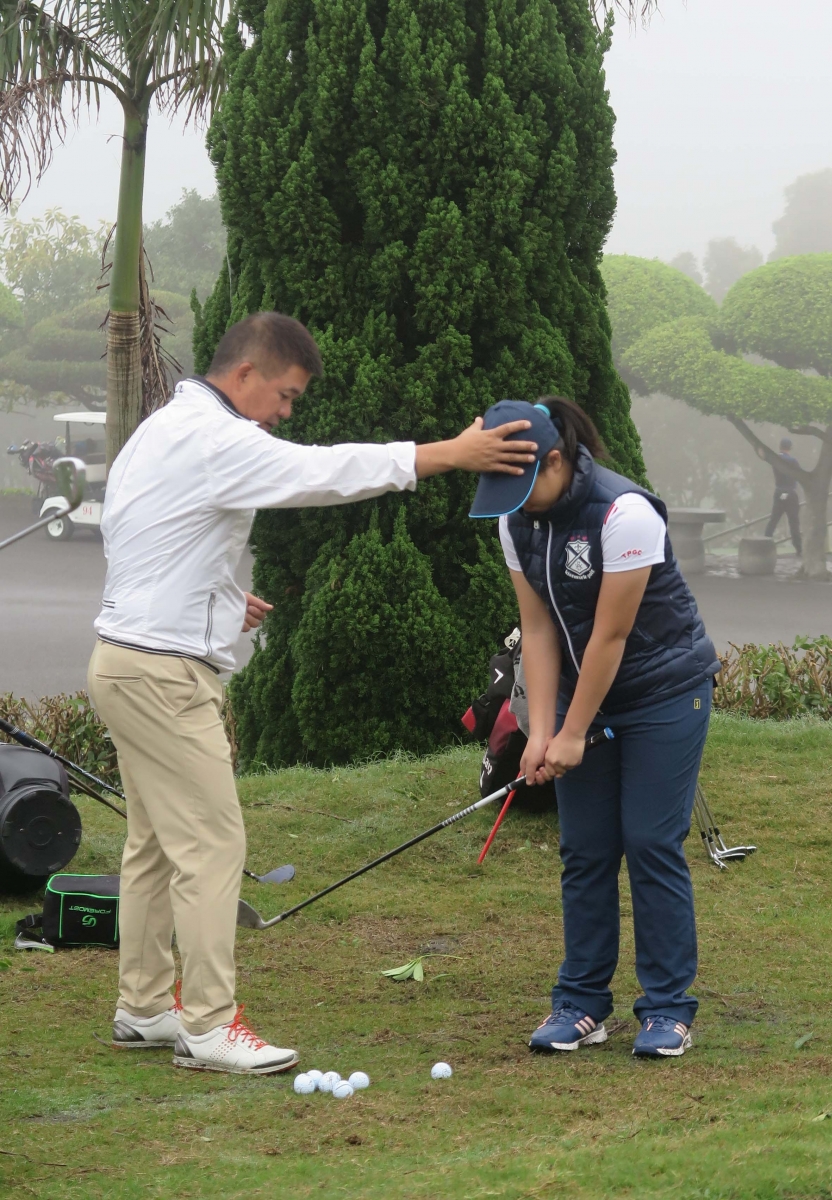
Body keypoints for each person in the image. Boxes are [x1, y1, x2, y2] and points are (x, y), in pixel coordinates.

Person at [88, 312, 538, 1076]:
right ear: (246, 376)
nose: (287, 414)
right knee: (213, 843)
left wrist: (219, 594)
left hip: (127, 661)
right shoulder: (218, 437)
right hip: (162, 674)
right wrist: (449, 456)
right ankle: (207, 1026)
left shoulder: (165, 428)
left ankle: (144, 1008)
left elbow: (141, 535)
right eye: (286, 396)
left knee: (158, 844)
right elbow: (322, 472)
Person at [470, 397, 719, 1058]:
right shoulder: (515, 523)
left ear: (555, 460)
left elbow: (609, 637)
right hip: (586, 700)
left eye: (523, 488)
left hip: (664, 694)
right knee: (583, 848)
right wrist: (542, 732)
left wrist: (573, 734)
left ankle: (667, 1009)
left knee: (650, 840)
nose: (516, 504)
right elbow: (540, 630)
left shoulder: (624, 513)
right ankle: (581, 1002)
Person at [761, 438, 802, 555]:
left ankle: (764, 544)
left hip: (779, 491)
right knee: (794, 521)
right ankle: (799, 548)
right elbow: (798, 475)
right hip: (790, 492)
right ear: (790, 447)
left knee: (773, 520)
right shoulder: (793, 461)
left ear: (780, 446)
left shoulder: (775, 459)